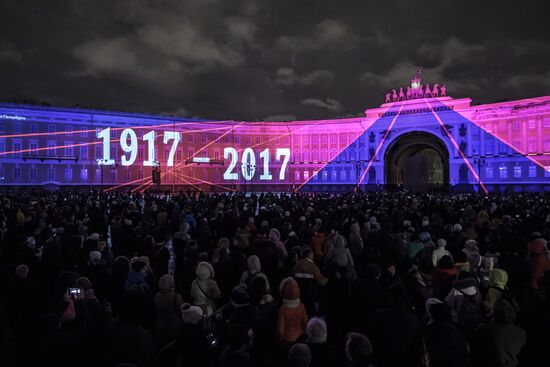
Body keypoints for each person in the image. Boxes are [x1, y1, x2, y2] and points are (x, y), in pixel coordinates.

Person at [154, 274, 183, 349]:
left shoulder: (157, 296)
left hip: (160, 324)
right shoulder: (176, 296)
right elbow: (181, 311)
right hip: (174, 325)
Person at [277, 277, 308, 345]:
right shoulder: (302, 306)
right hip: (300, 338)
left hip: (286, 340)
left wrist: (279, 342)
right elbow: (306, 324)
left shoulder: (282, 310)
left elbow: (280, 331)